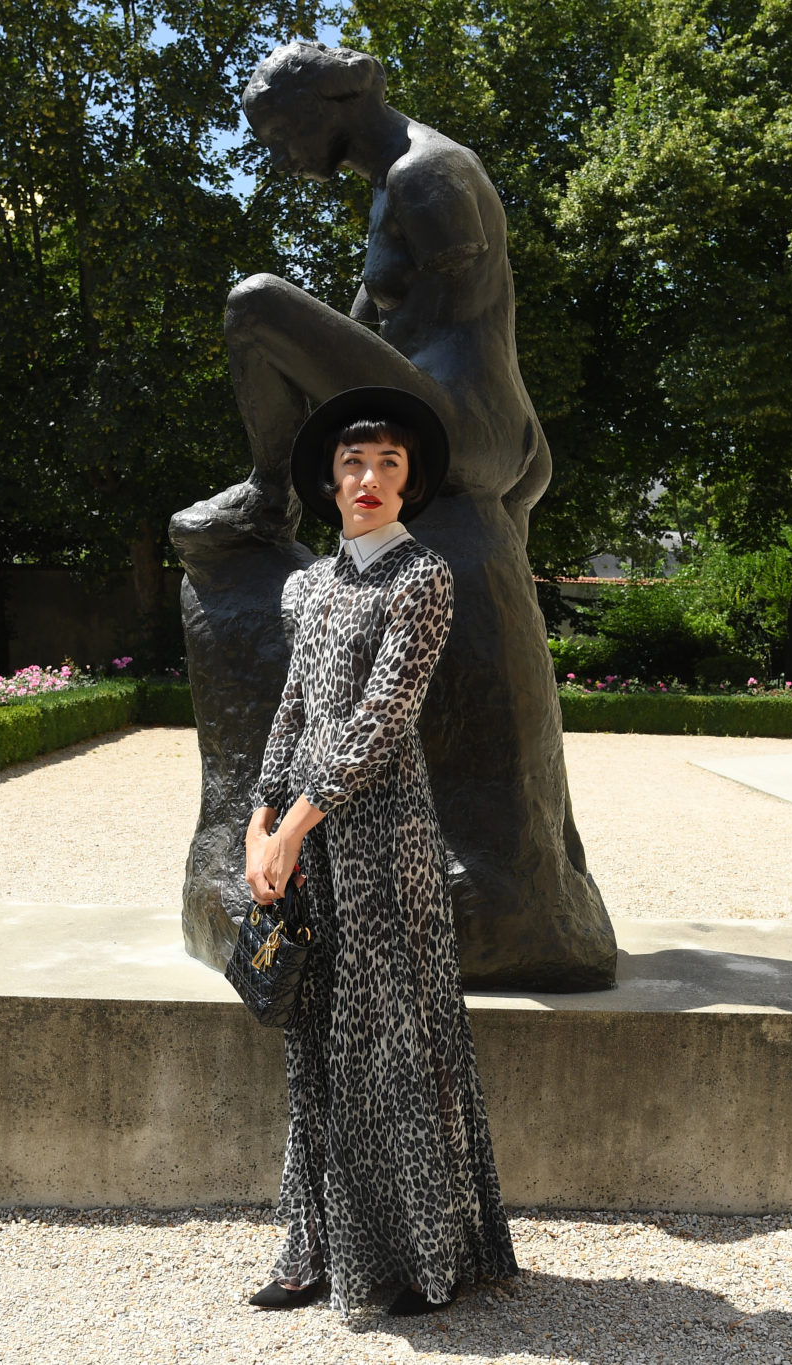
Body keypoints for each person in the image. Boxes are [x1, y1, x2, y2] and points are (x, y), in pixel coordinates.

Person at [241, 385, 518, 1316]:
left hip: (383, 836)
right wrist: (259, 818)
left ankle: (424, 1260)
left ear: (409, 483)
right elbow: (292, 705)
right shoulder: (305, 587)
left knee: (394, 1039)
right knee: (315, 1038)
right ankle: (314, 1249)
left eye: (387, 464)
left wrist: (294, 824)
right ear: (330, 479)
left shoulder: (422, 577)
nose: (368, 478)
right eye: (353, 462)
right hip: (305, 837)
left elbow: (382, 719)